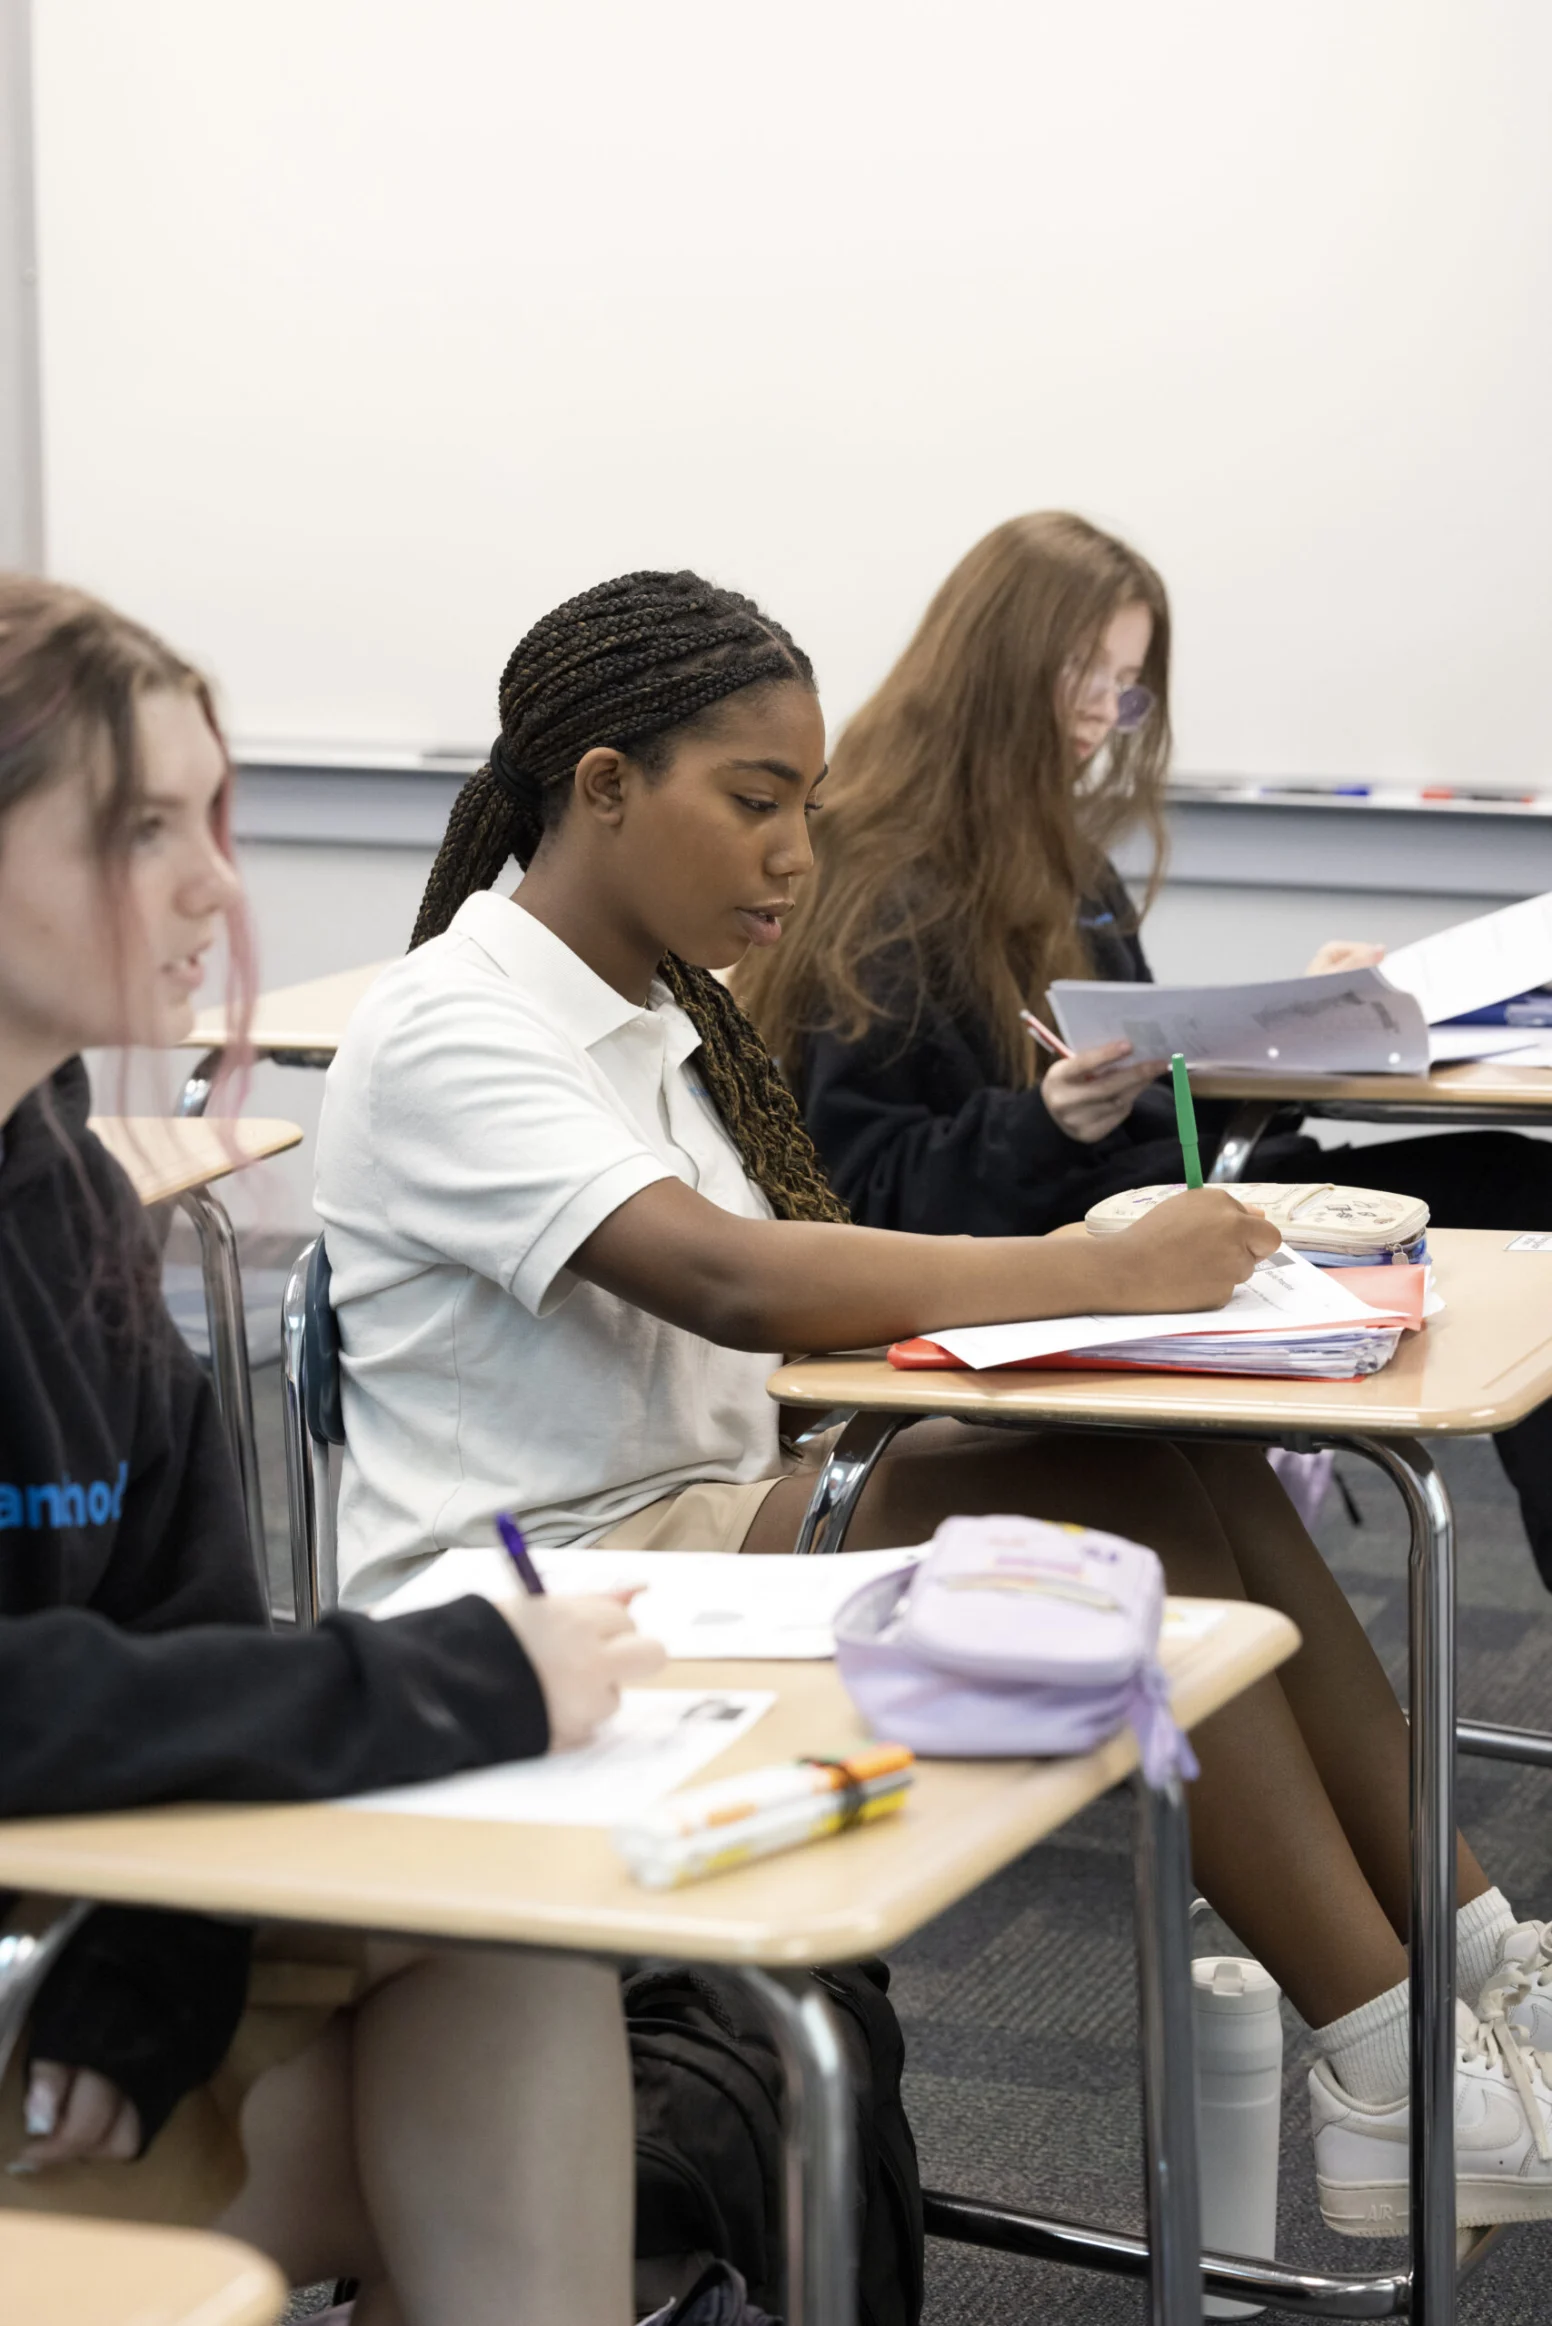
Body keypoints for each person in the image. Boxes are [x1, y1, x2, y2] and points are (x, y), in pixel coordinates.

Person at [316, 565, 1552, 2235]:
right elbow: (737, 1283)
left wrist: (1082, 1350)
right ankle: (1385, 2060)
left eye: (806, 808)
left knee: (1175, 1471)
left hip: (690, 1520)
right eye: (755, 804)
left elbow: (760, 1347)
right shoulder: (449, 1029)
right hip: (527, 1589)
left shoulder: (656, 1022)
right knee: (1101, 1508)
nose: (793, 857)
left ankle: (1475, 1965)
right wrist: (1098, 1278)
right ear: (601, 786)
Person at [0, 574, 666, 2326]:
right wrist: (436, 1684)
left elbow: (185, 1624)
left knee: (499, 1927)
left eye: (206, 819)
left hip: (40, 1971)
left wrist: (149, 1957)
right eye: (142, 828)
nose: (215, 888)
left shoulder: (61, 1185)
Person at [734, 510, 1552, 1585]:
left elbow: (1144, 1094)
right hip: (1047, 1263)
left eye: (1122, 681)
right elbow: (863, 1198)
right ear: (995, 658)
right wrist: (1044, 1121)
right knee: (1516, 1191)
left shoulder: (1055, 854)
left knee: (1518, 1184)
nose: (1101, 710)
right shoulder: (881, 878)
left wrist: (1296, 1027)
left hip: (1141, 1208)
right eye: (1082, 669)